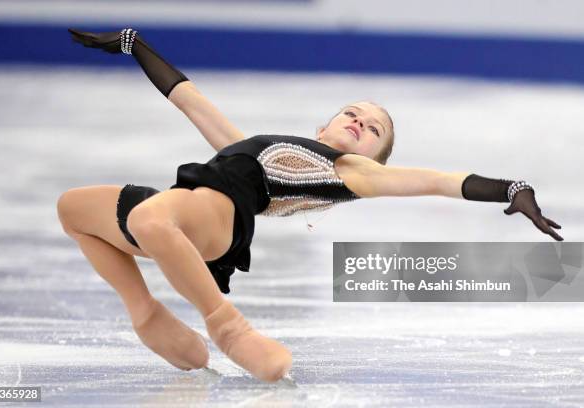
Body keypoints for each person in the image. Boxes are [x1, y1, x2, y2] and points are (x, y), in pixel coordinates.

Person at [58, 28, 563, 383]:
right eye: (353, 113)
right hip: (189, 206)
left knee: (150, 216)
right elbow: (189, 99)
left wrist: (510, 189)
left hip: (216, 216)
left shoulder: (352, 171)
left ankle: (228, 326)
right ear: (324, 124)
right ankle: (147, 314)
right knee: (74, 209)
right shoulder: (253, 145)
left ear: (375, 158)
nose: (359, 124)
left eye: (373, 131)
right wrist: (134, 44)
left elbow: (434, 180)